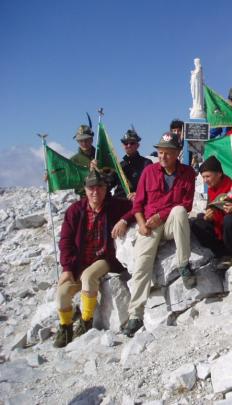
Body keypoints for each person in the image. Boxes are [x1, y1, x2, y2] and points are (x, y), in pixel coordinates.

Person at [119, 132, 196, 337]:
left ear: (178, 153)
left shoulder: (188, 173)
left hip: (169, 221)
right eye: (160, 152)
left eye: (167, 153)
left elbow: (186, 205)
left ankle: (183, 264)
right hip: (149, 224)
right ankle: (135, 314)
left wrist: (161, 215)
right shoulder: (149, 172)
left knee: (179, 211)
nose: (162, 157)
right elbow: (138, 204)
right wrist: (142, 224)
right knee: (142, 264)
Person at [53, 170, 132, 348]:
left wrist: (124, 220)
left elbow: (135, 207)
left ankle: (86, 321)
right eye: (91, 188)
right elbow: (65, 241)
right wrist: (66, 268)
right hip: (77, 262)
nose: (95, 192)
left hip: (103, 259)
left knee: (89, 277)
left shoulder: (114, 206)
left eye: (100, 187)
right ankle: (65, 327)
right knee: (61, 294)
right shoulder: (75, 211)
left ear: (106, 189)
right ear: (85, 190)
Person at [114, 129, 152, 200]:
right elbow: (109, 183)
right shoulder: (119, 165)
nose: (128, 145)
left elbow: (151, 186)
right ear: (122, 146)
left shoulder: (147, 163)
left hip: (138, 201)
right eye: (126, 143)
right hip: (118, 202)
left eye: (132, 143)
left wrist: (138, 194)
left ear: (138, 145)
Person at [70, 125, 96, 196]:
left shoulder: (101, 156)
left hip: (103, 197)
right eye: (81, 141)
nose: (84, 143)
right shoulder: (73, 160)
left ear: (91, 139)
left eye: (86, 140)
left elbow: (111, 177)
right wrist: (51, 175)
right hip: (84, 198)